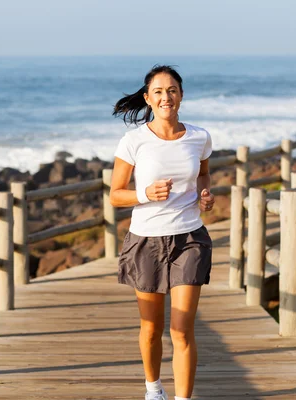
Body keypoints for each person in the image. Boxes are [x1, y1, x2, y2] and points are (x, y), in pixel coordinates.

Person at [109, 65, 214, 400]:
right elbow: (114, 194)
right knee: (152, 328)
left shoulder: (200, 137)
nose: (166, 97)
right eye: (158, 91)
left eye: (172, 90)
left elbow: (203, 175)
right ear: (148, 98)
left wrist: (205, 194)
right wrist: (145, 194)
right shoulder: (134, 141)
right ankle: (153, 389)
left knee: (181, 329)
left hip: (189, 238)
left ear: (181, 95)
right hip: (146, 241)